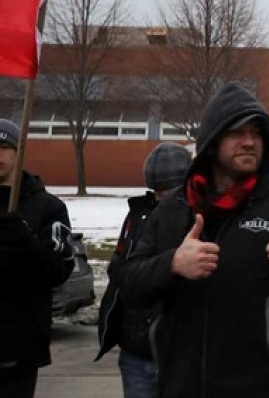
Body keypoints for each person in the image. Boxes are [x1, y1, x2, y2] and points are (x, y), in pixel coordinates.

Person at [119, 82, 269, 398]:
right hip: (181, 386)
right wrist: (172, 264)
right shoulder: (174, 209)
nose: (250, 142)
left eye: (257, 133)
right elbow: (128, 283)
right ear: (212, 141)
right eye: (237, 133)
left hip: (262, 386)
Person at [95, 142, 192, 398]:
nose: (163, 198)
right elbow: (122, 272)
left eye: (170, 190)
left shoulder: (199, 220)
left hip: (182, 352)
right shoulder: (138, 217)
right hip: (136, 351)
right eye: (157, 190)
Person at [0, 118, 74, 398]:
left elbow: (58, 271)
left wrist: (26, 243)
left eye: (5, 147)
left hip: (19, 347)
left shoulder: (47, 207)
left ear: (19, 152)